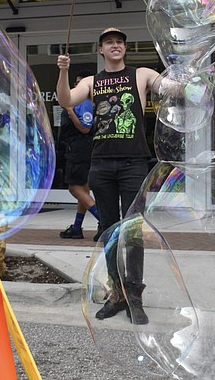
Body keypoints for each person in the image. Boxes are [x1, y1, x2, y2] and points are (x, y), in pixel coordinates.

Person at [56, 27, 161, 325]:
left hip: (133, 163)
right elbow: (66, 99)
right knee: (109, 230)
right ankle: (117, 294)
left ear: (124, 48)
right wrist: (63, 71)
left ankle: (135, 296)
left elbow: (171, 88)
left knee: (134, 232)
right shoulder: (91, 81)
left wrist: (189, 76)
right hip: (101, 164)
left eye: (119, 42)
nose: (115, 45)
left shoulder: (141, 74)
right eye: (109, 42)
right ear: (100, 49)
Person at [58, 72, 102, 240]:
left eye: (80, 83)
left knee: (74, 188)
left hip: (79, 150)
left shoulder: (83, 103)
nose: (77, 86)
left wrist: (70, 111)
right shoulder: (81, 101)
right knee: (83, 189)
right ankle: (77, 227)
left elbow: (85, 128)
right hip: (79, 148)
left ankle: (104, 221)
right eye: (76, 82)